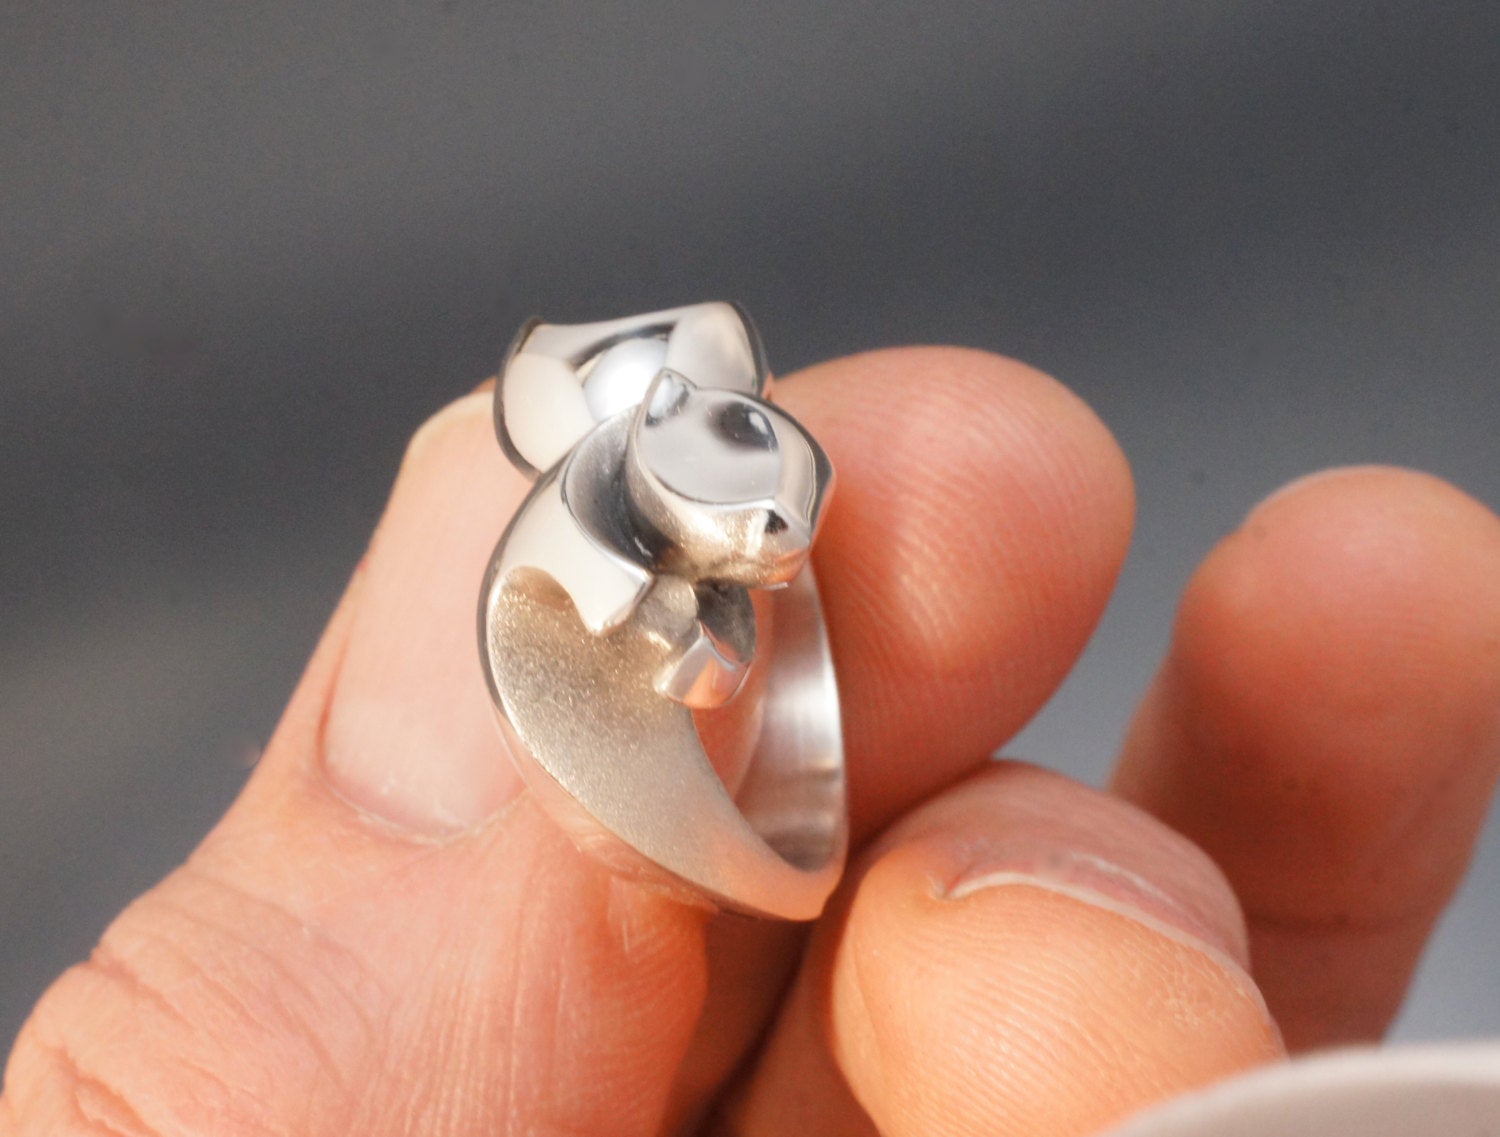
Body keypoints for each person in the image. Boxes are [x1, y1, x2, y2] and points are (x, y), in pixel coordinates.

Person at [4, 347, 1498, 1136]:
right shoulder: (589, 563)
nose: (784, 548)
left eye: (792, 525)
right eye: (762, 533)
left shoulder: (717, 531)